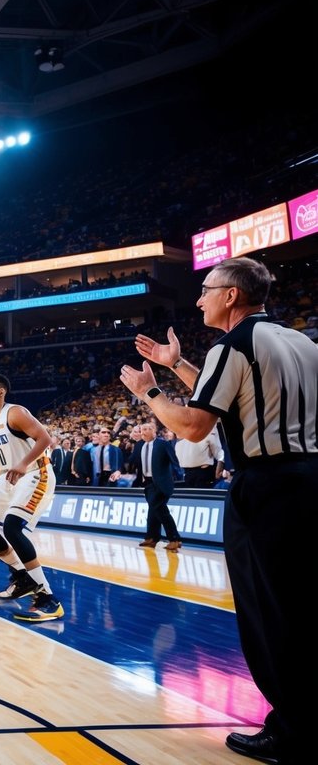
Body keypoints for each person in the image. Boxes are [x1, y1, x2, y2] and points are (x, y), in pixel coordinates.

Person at [120, 257, 317, 763]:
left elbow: (193, 427)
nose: (199, 298)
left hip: (267, 488)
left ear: (231, 296)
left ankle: (292, 732)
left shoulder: (232, 345)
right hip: (309, 480)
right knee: (304, 605)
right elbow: (239, 394)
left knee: (268, 614)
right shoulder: (301, 342)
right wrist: (178, 365)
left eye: (207, 289)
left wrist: (151, 392)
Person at [0, 373, 64, 622]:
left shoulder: (15, 412)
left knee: (12, 528)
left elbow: (45, 439)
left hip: (35, 473)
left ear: (0, 392)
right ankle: (22, 577)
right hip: (9, 477)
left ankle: (48, 599)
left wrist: (23, 463)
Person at [131, 420, 182, 551]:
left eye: (148, 429)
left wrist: (180, 477)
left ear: (154, 431)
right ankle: (152, 538)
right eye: (142, 429)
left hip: (162, 483)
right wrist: (119, 470)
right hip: (147, 483)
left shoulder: (163, 444)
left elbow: (174, 461)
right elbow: (133, 462)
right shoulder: (139, 445)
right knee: (153, 509)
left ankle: (174, 539)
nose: (144, 431)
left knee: (159, 509)